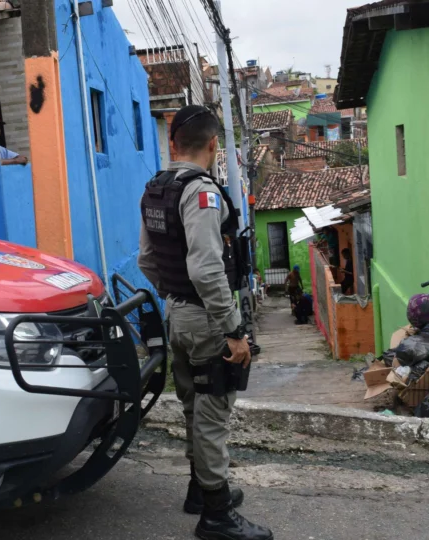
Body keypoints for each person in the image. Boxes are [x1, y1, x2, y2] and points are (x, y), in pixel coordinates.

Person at [138, 105, 273, 540]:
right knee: (213, 413)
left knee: (194, 406)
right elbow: (208, 270)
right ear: (214, 145)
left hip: (176, 314)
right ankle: (216, 516)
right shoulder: (202, 193)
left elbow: (146, 259)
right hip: (206, 318)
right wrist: (233, 332)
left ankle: (201, 489)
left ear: (173, 144)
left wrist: (175, 298)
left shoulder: (156, 189)